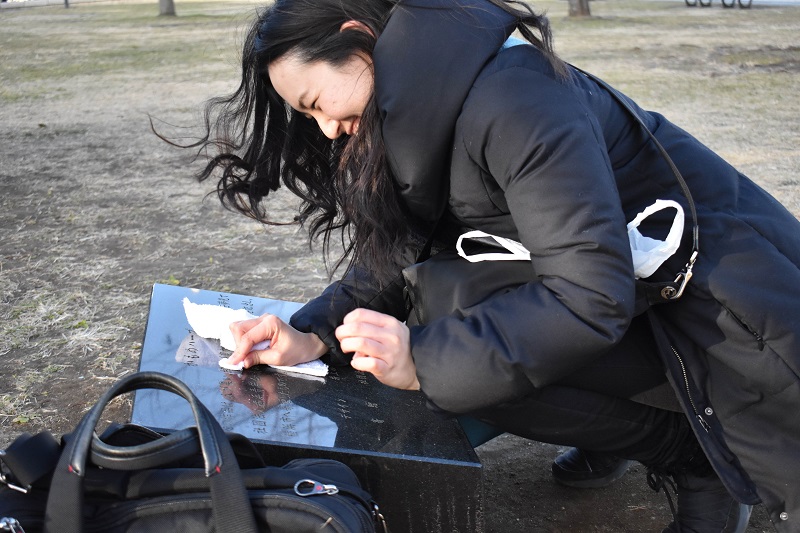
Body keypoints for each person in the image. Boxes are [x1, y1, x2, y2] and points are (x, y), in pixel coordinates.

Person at [176, 0, 800, 531]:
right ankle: (614, 430)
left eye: (316, 102)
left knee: (453, 342)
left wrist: (424, 359)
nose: (326, 130)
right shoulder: (427, 104)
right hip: (642, 294)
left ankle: (694, 454)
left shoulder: (513, 98)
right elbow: (403, 248)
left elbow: (589, 297)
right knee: (446, 308)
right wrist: (310, 333)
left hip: (722, 320)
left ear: (358, 39)